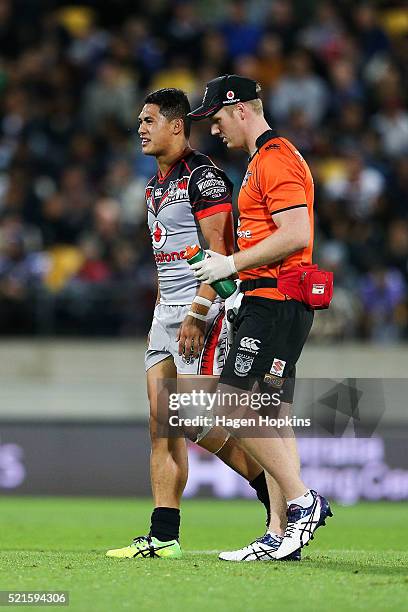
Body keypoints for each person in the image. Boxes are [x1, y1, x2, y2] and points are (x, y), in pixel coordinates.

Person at [106, 88, 287, 560]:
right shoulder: (154, 185)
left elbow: (221, 251)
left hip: (202, 309)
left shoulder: (202, 177)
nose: (141, 128)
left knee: (192, 418)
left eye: (149, 120)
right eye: (139, 121)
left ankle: (272, 488)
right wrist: (165, 312)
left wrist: (199, 312)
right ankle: (164, 534)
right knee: (160, 422)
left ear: (176, 125)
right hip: (165, 312)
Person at [188, 75, 332, 561]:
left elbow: (296, 233)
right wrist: (234, 287)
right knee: (272, 416)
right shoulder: (262, 161)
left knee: (227, 407)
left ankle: (302, 501)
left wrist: (230, 264)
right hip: (266, 300)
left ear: (241, 109)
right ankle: (278, 533)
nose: (213, 129)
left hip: (274, 304)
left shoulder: (275, 159)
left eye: (217, 118)